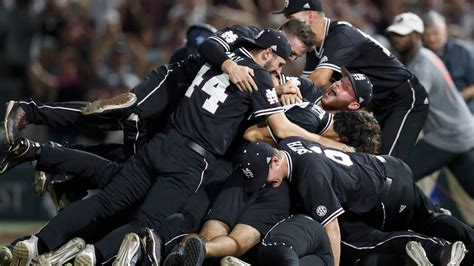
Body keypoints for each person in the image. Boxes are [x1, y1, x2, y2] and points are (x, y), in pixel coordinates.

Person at [6, 29, 342, 265]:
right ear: (267, 53)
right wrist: (327, 142)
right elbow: (280, 128)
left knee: (105, 202)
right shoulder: (261, 78)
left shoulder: (218, 56)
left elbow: (212, 43)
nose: (281, 71)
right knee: (147, 223)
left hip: (163, 139)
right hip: (191, 161)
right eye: (281, 63)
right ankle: (91, 256)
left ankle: (37, 243)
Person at [241, 138, 473, 265]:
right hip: (387, 166)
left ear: (275, 162)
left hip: (385, 196)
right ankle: (457, 246)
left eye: (264, 177)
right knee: (432, 217)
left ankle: (437, 250)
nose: (264, 183)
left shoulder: (309, 175)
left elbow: (331, 229)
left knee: (361, 241)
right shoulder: (289, 144)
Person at [272, 0, 429, 161]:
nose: (288, 22)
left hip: (404, 97)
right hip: (377, 104)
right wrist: (288, 91)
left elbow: (318, 80)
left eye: (291, 17)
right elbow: (307, 88)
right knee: (369, 160)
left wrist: (290, 87)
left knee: (387, 164)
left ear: (310, 15)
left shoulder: (340, 33)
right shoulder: (315, 46)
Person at [386, 12, 474, 198]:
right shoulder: (421, 57)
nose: (397, 39)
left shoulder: (421, 63)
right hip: (457, 132)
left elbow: (412, 105)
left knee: (397, 175)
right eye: (395, 34)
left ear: (418, 35)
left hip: (449, 135)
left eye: (403, 34)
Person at [423, 10, 474, 114]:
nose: (431, 39)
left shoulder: (462, 51)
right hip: (435, 113)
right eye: (427, 34)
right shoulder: (421, 55)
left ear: (445, 31)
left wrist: (457, 98)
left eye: (435, 33)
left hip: (466, 110)